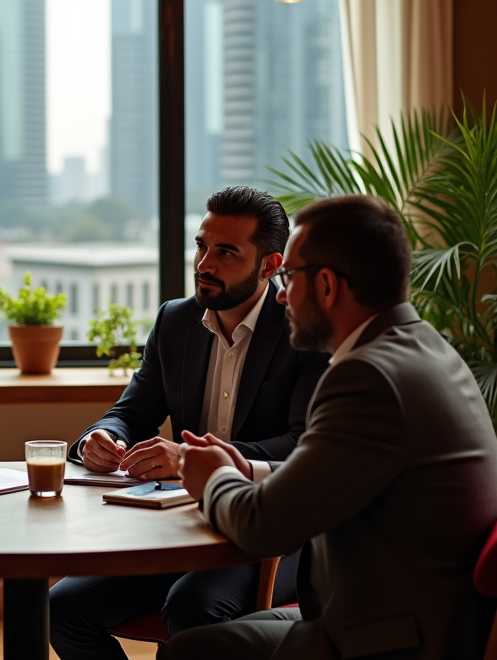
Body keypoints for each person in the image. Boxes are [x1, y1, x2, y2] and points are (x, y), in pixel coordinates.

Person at [162, 194, 497, 660]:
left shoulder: (367, 376)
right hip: (413, 615)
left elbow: (262, 529)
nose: (279, 294)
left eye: (287, 277)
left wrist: (211, 476)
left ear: (326, 285)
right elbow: (337, 475)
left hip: (390, 638)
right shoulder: (423, 347)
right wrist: (249, 470)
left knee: (190, 651)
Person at [49, 186, 331, 659]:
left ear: (269, 265)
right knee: (60, 608)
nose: (204, 264)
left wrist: (195, 462)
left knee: (192, 609)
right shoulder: (175, 321)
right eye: (201, 245)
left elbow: (303, 446)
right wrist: (100, 439)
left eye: (225, 252)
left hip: (270, 529)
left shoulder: (302, 329)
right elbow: (131, 413)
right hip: (181, 528)